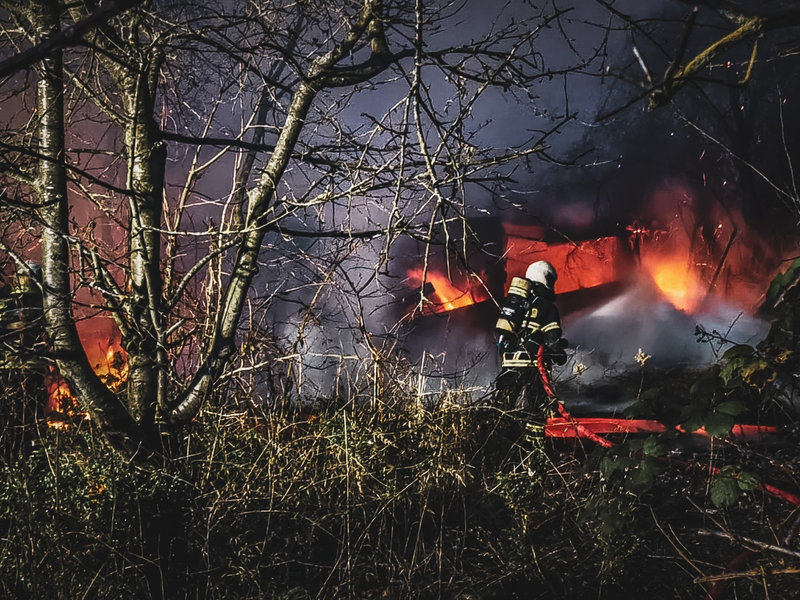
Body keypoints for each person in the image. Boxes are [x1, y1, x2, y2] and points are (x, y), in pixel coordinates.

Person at [494, 260, 567, 424]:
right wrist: (559, 354)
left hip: (510, 365)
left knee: (501, 409)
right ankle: (534, 445)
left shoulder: (516, 303)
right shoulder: (547, 307)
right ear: (545, 278)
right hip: (533, 367)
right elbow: (552, 341)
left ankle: (499, 441)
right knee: (537, 411)